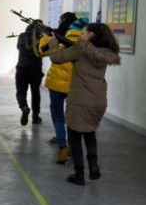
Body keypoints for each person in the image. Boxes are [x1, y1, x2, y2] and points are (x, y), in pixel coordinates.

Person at [48, 23, 120, 185]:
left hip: (80, 99)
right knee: (90, 132)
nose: (81, 34)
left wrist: (53, 42)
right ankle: (93, 165)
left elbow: (56, 58)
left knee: (74, 136)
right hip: (98, 100)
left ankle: (79, 174)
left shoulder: (80, 49)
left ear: (90, 35)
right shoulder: (106, 53)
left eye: (83, 32)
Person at [39, 13, 85, 163]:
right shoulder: (85, 42)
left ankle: (62, 150)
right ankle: (72, 147)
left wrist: (47, 37)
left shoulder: (59, 38)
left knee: (59, 119)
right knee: (72, 120)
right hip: (75, 86)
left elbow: (42, 51)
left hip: (56, 85)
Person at [15, 22, 44, 125]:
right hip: (35, 69)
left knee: (21, 92)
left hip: (22, 68)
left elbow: (18, 47)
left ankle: (24, 107)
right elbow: (43, 52)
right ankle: (35, 117)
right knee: (35, 93)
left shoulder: (22, 36)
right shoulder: (41, 38)